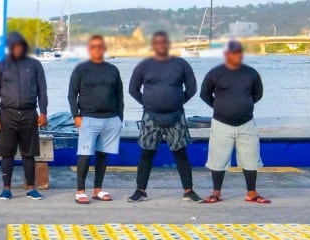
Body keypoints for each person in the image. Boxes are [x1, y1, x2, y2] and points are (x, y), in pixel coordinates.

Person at [127, 31, 200, 202]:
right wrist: (148, 103)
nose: (161, 44)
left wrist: (177, 101)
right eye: (157, 42)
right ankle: (140, 190)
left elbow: (192, 88)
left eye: (164, 42)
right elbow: (133, 90)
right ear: (153, 45)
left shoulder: (181, 64)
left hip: (176, 115)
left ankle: (188, 191)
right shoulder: (144, 65)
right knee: (146, 154)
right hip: (151, 116)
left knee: (181, 153)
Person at [199, 39, 267, 203]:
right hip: (222, 123)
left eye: (239, 52)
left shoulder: (251, 73)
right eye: (234, 53)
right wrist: (220, 107)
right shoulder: (215, 73)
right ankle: (216, 192)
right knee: (218, 158)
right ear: (226, 54)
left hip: (247, 123)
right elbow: (205, 94)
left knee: (251, 158)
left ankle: (252, 193)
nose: (237, 56)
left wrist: (243, 105)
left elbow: (258, 94)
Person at [0, 30, 48, 200]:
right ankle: (6, 189)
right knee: (7, 153)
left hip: (30, 114)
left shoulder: (35, 65)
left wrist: (43, 112)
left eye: (20, 46)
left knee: (29, 153)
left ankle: (31, 188)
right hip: (7, 114)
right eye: (14, 46)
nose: (17, 49)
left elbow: (42, 91)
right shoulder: (1, 66)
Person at [67, 34, 123, 204]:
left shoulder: (113, 69)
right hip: (88, 119)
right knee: (85, 155)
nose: (97, 49)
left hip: (110, 119)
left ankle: (97, 189)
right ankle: (80, 191)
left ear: (104, 49)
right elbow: (72, 94)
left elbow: (119, 95)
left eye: (100, 46)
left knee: (102, 156)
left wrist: (120, 118)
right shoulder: (81, 69)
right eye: (93, 47)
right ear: (89, 49)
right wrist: (76, 116)